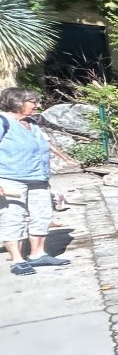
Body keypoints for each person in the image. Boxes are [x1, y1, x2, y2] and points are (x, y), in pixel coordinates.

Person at [0, 86, 76, 275]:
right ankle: (17, 260)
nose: (36, 105)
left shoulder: (31, 123)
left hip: (38, 177)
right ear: (17, 102)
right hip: (11, 177)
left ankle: (37, 254)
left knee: (42, 214)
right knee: (13, 216)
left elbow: (45, 144)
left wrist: (66, 158)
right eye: (32, 101)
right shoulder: (3, 122)